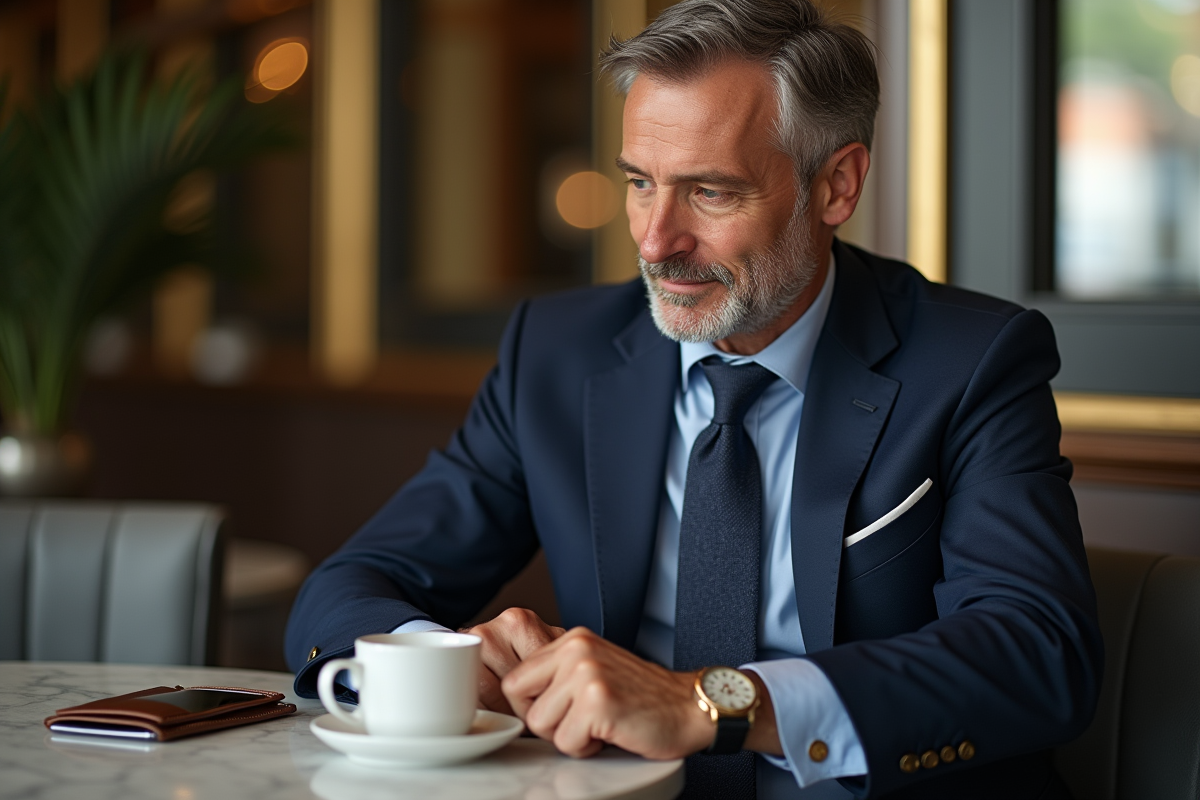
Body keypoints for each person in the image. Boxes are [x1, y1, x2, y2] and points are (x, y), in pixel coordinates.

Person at [286, 1, 1102, 798]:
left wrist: (711, 704)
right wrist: (440, 661)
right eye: (640, 182)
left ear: (837, 186)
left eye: (710, 193)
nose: (652, 239)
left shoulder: (972, 360)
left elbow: (1036, 651)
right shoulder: (556, 353)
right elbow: (353, 585)